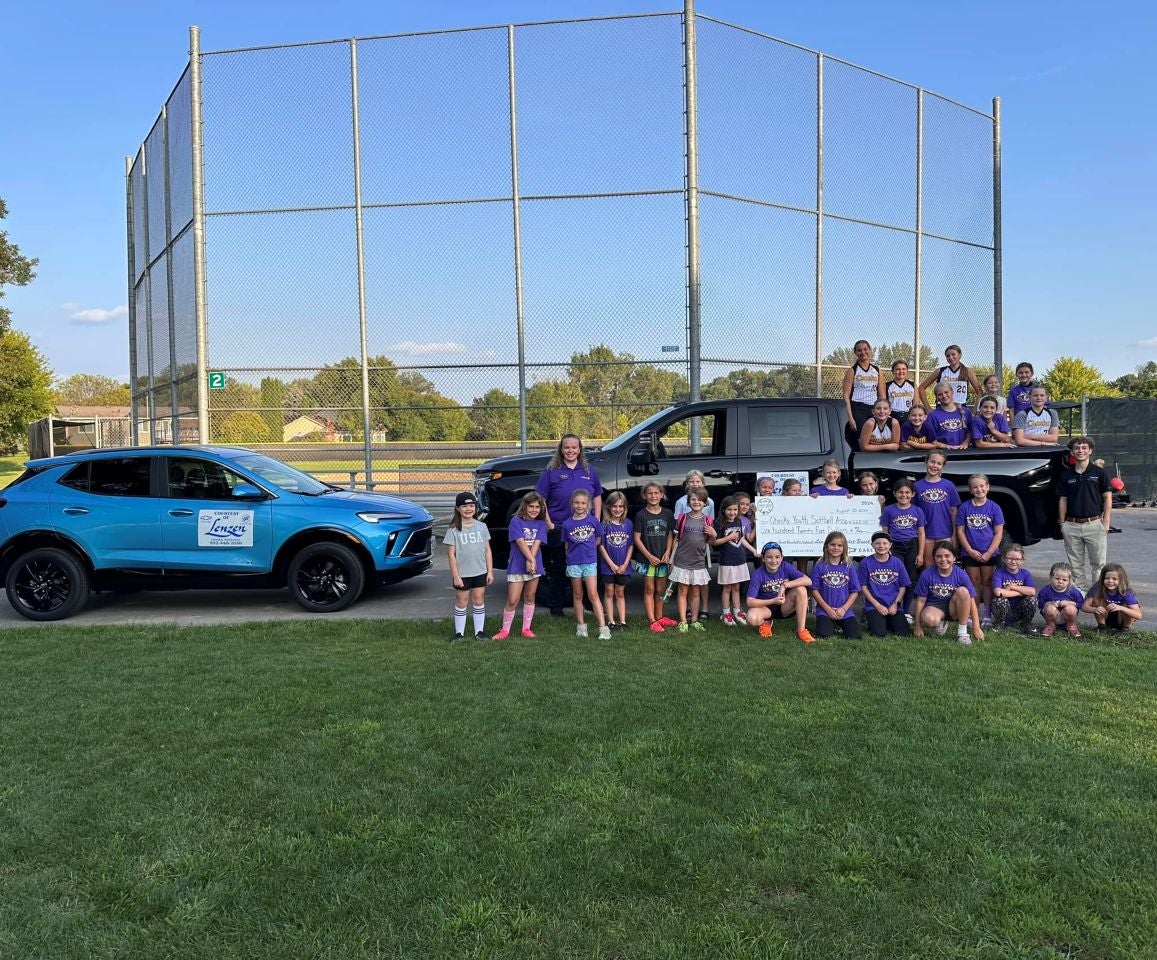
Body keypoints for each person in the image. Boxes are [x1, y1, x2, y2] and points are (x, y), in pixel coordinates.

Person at [536, 434, 602, 617]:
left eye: (574, 447)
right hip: (559, 527)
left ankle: (589, 604)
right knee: (559, 568)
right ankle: (556, 608)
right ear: (561, 449)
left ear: (580, 449)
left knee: (588, 567)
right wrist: (548, 523)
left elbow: (597, 495)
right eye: (567, 447)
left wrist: (596, 519)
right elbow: (541, 498)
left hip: (586, 529)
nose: (571, 450)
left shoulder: (589, 470)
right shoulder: (551, 471)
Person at [1057, 435, 1112, 592]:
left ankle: (1097, 594)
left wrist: (1106, 521)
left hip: (1095, 524)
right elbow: (1063, 499)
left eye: (1084, 448)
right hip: (1071, 525)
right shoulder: (1066, 475)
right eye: (1077, 448)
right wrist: (1062, 523)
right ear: (1072, 452)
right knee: (1076, 564)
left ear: (1090, 451)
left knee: (1098, 564)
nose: (1080, 450)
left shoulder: (1099, 473)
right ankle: (1080, 593)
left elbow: (1108, 497)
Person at [493, 492, 547, 640]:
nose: (534, 510)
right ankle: (505, 630)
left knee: (530, 596)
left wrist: (532, 561)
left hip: (534, 565)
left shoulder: (541, 524)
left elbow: (537, 543)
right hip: (517, 564)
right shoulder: (515, 521)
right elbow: (520, 542)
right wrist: (531, 559)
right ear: (525, 506)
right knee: (513, 599)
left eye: (537, 507)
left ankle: (526, 629)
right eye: (531, 506)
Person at [955, 474, 1005, 626]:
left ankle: (987, 615)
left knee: (987, 582)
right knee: (973, 582)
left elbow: (998, 533)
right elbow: (960, 531)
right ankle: (974, 612)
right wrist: (969, 550)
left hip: (989, 552)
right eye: (975, 487)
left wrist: (989, 552)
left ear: (988, 487)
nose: (979, 489)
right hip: (970, 552)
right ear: (970, 490)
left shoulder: (994, 507)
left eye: (982, 486)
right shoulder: (965, 507)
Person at [912, 540, 984, 645]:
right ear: (934, 558)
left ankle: (962, 633)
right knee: (928, 619)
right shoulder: (927, 574)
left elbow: (971, 601)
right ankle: (940, 622)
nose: (943, 559)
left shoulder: (961, 574)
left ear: (954, 558)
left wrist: (976, 627)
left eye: (947, 556)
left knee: (963, 591)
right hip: (934, 606)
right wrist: (918, 626)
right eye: (939, 556)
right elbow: (920, 601)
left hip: (954, 608)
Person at [444, 491, 493, 641]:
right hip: (462, 573)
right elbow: (451, 554)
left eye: (471, 505)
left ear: (476, 508)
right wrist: (456, 576)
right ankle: (459, 634)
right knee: (462, 602)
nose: (468, 509)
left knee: (479, 600)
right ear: (458, 509)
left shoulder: (482, 526)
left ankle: (479, 632)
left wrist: (489, 571)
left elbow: (487, 550)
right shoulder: (453, 530)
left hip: (480, 571)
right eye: (464, 506)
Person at [561, 489, 610, 639]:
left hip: (590, 562)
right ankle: (581, 627)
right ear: (572, 504)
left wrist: (588, 551)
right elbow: (567, 545)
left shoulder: (593, 521)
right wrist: (570, 559)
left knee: (593, 594)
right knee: (577, 594)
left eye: (583, 503)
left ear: (588, 504)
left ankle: (603, 628)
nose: (579, 505)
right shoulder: (567, 524)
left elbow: (597, 540)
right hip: (574, 563)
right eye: (576, 502)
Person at [745, 542, 814, 642]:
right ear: (763, 559)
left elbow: (808, 580)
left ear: (782, 558)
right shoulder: (758, 574)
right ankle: (766, 622)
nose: (774, 561)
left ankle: (801, 631)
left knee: (801, 589)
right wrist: (773, 600)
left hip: (784, 605)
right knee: (751, 617)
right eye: (769, 557)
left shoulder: (785, 567)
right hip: (766, 607)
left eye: (777, 557)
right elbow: (750, 601)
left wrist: (785, 585)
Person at [633, 481, 678, 633]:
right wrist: (649, 556)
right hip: (647, 560)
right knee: (649, 589)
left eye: (656, 493)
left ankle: (660, 617)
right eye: (650, 493)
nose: (653, 496)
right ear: (645, 495)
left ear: (661, 495)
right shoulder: (641, 515)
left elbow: (670, 534)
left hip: (662, 559)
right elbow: (637, 539)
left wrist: (668, 552)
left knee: (661, 589)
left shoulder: (667, 513)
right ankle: (652, 620)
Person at [669, 490, 715, 631]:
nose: (696, 502)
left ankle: (694, 620)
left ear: (705, 503)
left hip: (699, 562)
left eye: (700, 500)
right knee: (682, 591)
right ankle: (683, 621)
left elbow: (712, 542)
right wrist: (672, 559)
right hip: (682, 560)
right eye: (693, 499)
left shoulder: (708, 520)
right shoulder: (682, 518)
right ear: (688, 502)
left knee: (696, 592)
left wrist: (714, 534)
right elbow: (676, 540)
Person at [881, 478, 926, 613]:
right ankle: (897, 607)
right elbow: (885, 531)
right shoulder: (889, 510)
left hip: (912, 545)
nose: (904, 495)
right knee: (897, 577)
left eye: (907, 492)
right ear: (895, 493)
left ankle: (906, 611)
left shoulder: (917, 511)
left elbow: (921, 533)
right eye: (900, 492)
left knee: (911, 580)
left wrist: (921, 553)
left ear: (912, 494)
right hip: (895, 547)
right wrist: (887, 549)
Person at [713, 495, 758, 626]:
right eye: (729, 510)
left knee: (737, 587)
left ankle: (737, 611)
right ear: (723, 510)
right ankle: (726, 612)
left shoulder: (738, 521)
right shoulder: (719, 523)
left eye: (735, 510)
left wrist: (753, 550)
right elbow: (715, 542)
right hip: (727, 560)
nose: (732, 513)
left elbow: (742, 539)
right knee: (727, 588)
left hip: (740, 559)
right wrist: (729, 537)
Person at [859, 531, 911, 636]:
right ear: (872, 545)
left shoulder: (897, 562)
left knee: (904, 633)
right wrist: (877, 605)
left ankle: (888, 621)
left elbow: (902, 586)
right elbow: (863, 588)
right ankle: (875, 620)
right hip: (874, 606)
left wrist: (895, 605)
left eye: (885, 543)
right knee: (879, 633)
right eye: (877, 543)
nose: (881, 546)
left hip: (893, 605)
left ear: (890, 545)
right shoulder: (865, 563)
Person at [811, 530, 862, 638]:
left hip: (844, 610)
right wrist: (827, 609)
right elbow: (814, 590)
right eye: (832, 544)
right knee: (824, 635)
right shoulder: (819, 566)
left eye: (839, 545)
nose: (836, 548)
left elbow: (855, 591)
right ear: (826, 546)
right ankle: (831, 624)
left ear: (844, 548)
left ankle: (838, 624)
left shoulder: (849, 566)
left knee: (855, 636)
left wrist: (844, 609)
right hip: (825, 610)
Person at [915, 451, 960, 567]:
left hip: (945, 532)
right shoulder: (917, 486)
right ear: (926, 461)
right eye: (932, 462)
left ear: (943, 466)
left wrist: (954, 535)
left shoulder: (948, 485)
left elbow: (954, 511)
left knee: (945, 564)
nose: (935, 466)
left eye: (939, 463)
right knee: (928, 564)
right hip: (926, 533)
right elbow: (913, 512)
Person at [598, 491, 634, 631]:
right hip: (609, 566)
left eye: (621, 506)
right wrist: (611, 564)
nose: (617, 509)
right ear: (608, 507)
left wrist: (625, 564)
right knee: (609, 592)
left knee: (620, 592)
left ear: (625, 508)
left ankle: (622, 621)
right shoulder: (604, 524)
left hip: (623, 566)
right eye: (614, 506)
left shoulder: (628, 524)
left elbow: (631, 545)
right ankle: (611, 621)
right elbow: (601, 546)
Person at [842, 339, 885, 445]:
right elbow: (846, 395)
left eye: (865, 349)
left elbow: (882, 394)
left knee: (875, 438)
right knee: (862, 439)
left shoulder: (877, 370)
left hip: (874, 409)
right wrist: (851, 418)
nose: (863, 352)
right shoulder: (852, 370)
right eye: (859, 350)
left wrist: (884, 411)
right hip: (858, 408)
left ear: (870, 350)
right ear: (855, 353)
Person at [990, 542, 1037, 633]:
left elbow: (1032, 591)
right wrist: (1022, 592)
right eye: (1010, 558)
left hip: (1020, 609)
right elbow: (998, 592)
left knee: (1032, 600)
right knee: (1000, 599)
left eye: (1017, 559)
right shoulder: (999, 573)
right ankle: (1000, 623)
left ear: (1022, 560)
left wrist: (1012, 587)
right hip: (1004, 609)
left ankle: (1026, 623)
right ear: (1003, 559)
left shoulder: (1025, 573)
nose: (1013, 561)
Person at [1082, 563, 1142, 631]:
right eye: (1107, 578)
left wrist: (1121, 608)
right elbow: (1084, 607)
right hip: (1105, 616)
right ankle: (1102, 626)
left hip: (1122, 618)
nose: (1110, 581)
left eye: (1114, 579)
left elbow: (1139, 615)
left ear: (1121, 580)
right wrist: (1095, 609)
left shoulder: (1125, 591)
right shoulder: (1098, 587)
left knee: (1129, 607)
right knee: (1096, 600)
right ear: (1102, 578)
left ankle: (1125, 629)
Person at [919, 344, 982, 409]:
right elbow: (921, 388)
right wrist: (928, 409)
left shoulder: (967, 371)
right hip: (942, 408)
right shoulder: (940, 371)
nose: (951, 357)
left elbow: (979, 392)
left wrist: (975, 410)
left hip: (960, 409)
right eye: (948, 356)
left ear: (960, 355)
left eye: (953, 354)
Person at [1037, 561, 1084, 638]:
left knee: (1070, 608)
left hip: (1067, 616)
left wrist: (1069, 603)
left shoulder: (1073, 591)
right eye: (1057, 578)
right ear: (1051, 577)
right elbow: (1040, 604)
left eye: (1064, 580)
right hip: (1051, 616)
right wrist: (1049, 603)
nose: (1060, 581)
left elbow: (1081, 604)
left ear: (1069, 580)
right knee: (1050, 608)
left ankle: (1071, 625)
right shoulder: (1045, 591)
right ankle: (1050, 626)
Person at [927, 383, 972, 450]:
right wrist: (944, 446)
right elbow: (930, 439)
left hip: (963, 451)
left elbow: (970, 432)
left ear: (952, 392)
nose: (944, 396)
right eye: (940, 394)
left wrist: (966, 443)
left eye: (946, 392)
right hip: (942, 453)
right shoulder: (932, 416)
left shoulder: (966, 412)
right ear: (936, 397)